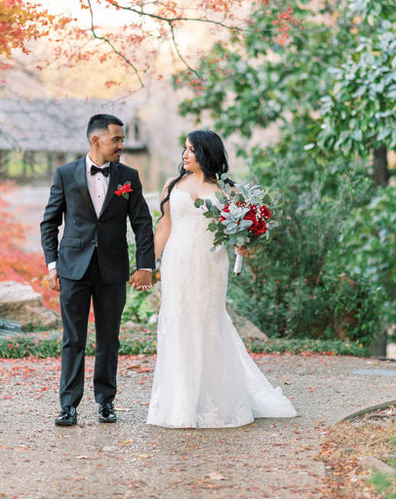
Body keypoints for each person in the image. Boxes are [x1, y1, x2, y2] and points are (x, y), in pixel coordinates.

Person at [147, 130, 297, 428]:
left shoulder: (228, 191)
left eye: (191, 150)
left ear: (206, 153)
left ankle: (212, 401)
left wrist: (245, 244)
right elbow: (164, 227)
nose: (184, 155)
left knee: (207, 324)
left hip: (210, 265)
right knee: (177, 322)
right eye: (184, 149)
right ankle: (179, 403)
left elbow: (239, 236)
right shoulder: (172, 185)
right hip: (176, 263)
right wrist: (145, 265)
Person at [41, 114, 155, 427]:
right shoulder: (65, 174)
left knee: (109, 340)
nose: (122, 145)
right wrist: (52, 265)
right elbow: (50, 223)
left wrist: (145, 266)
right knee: (72, 339)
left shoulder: (129, 176)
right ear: (96, 140)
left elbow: (143, 223)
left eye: (122, 139)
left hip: (113, 271)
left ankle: (106, 402)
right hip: (72, 269)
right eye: (116, 139)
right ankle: (68, 406)